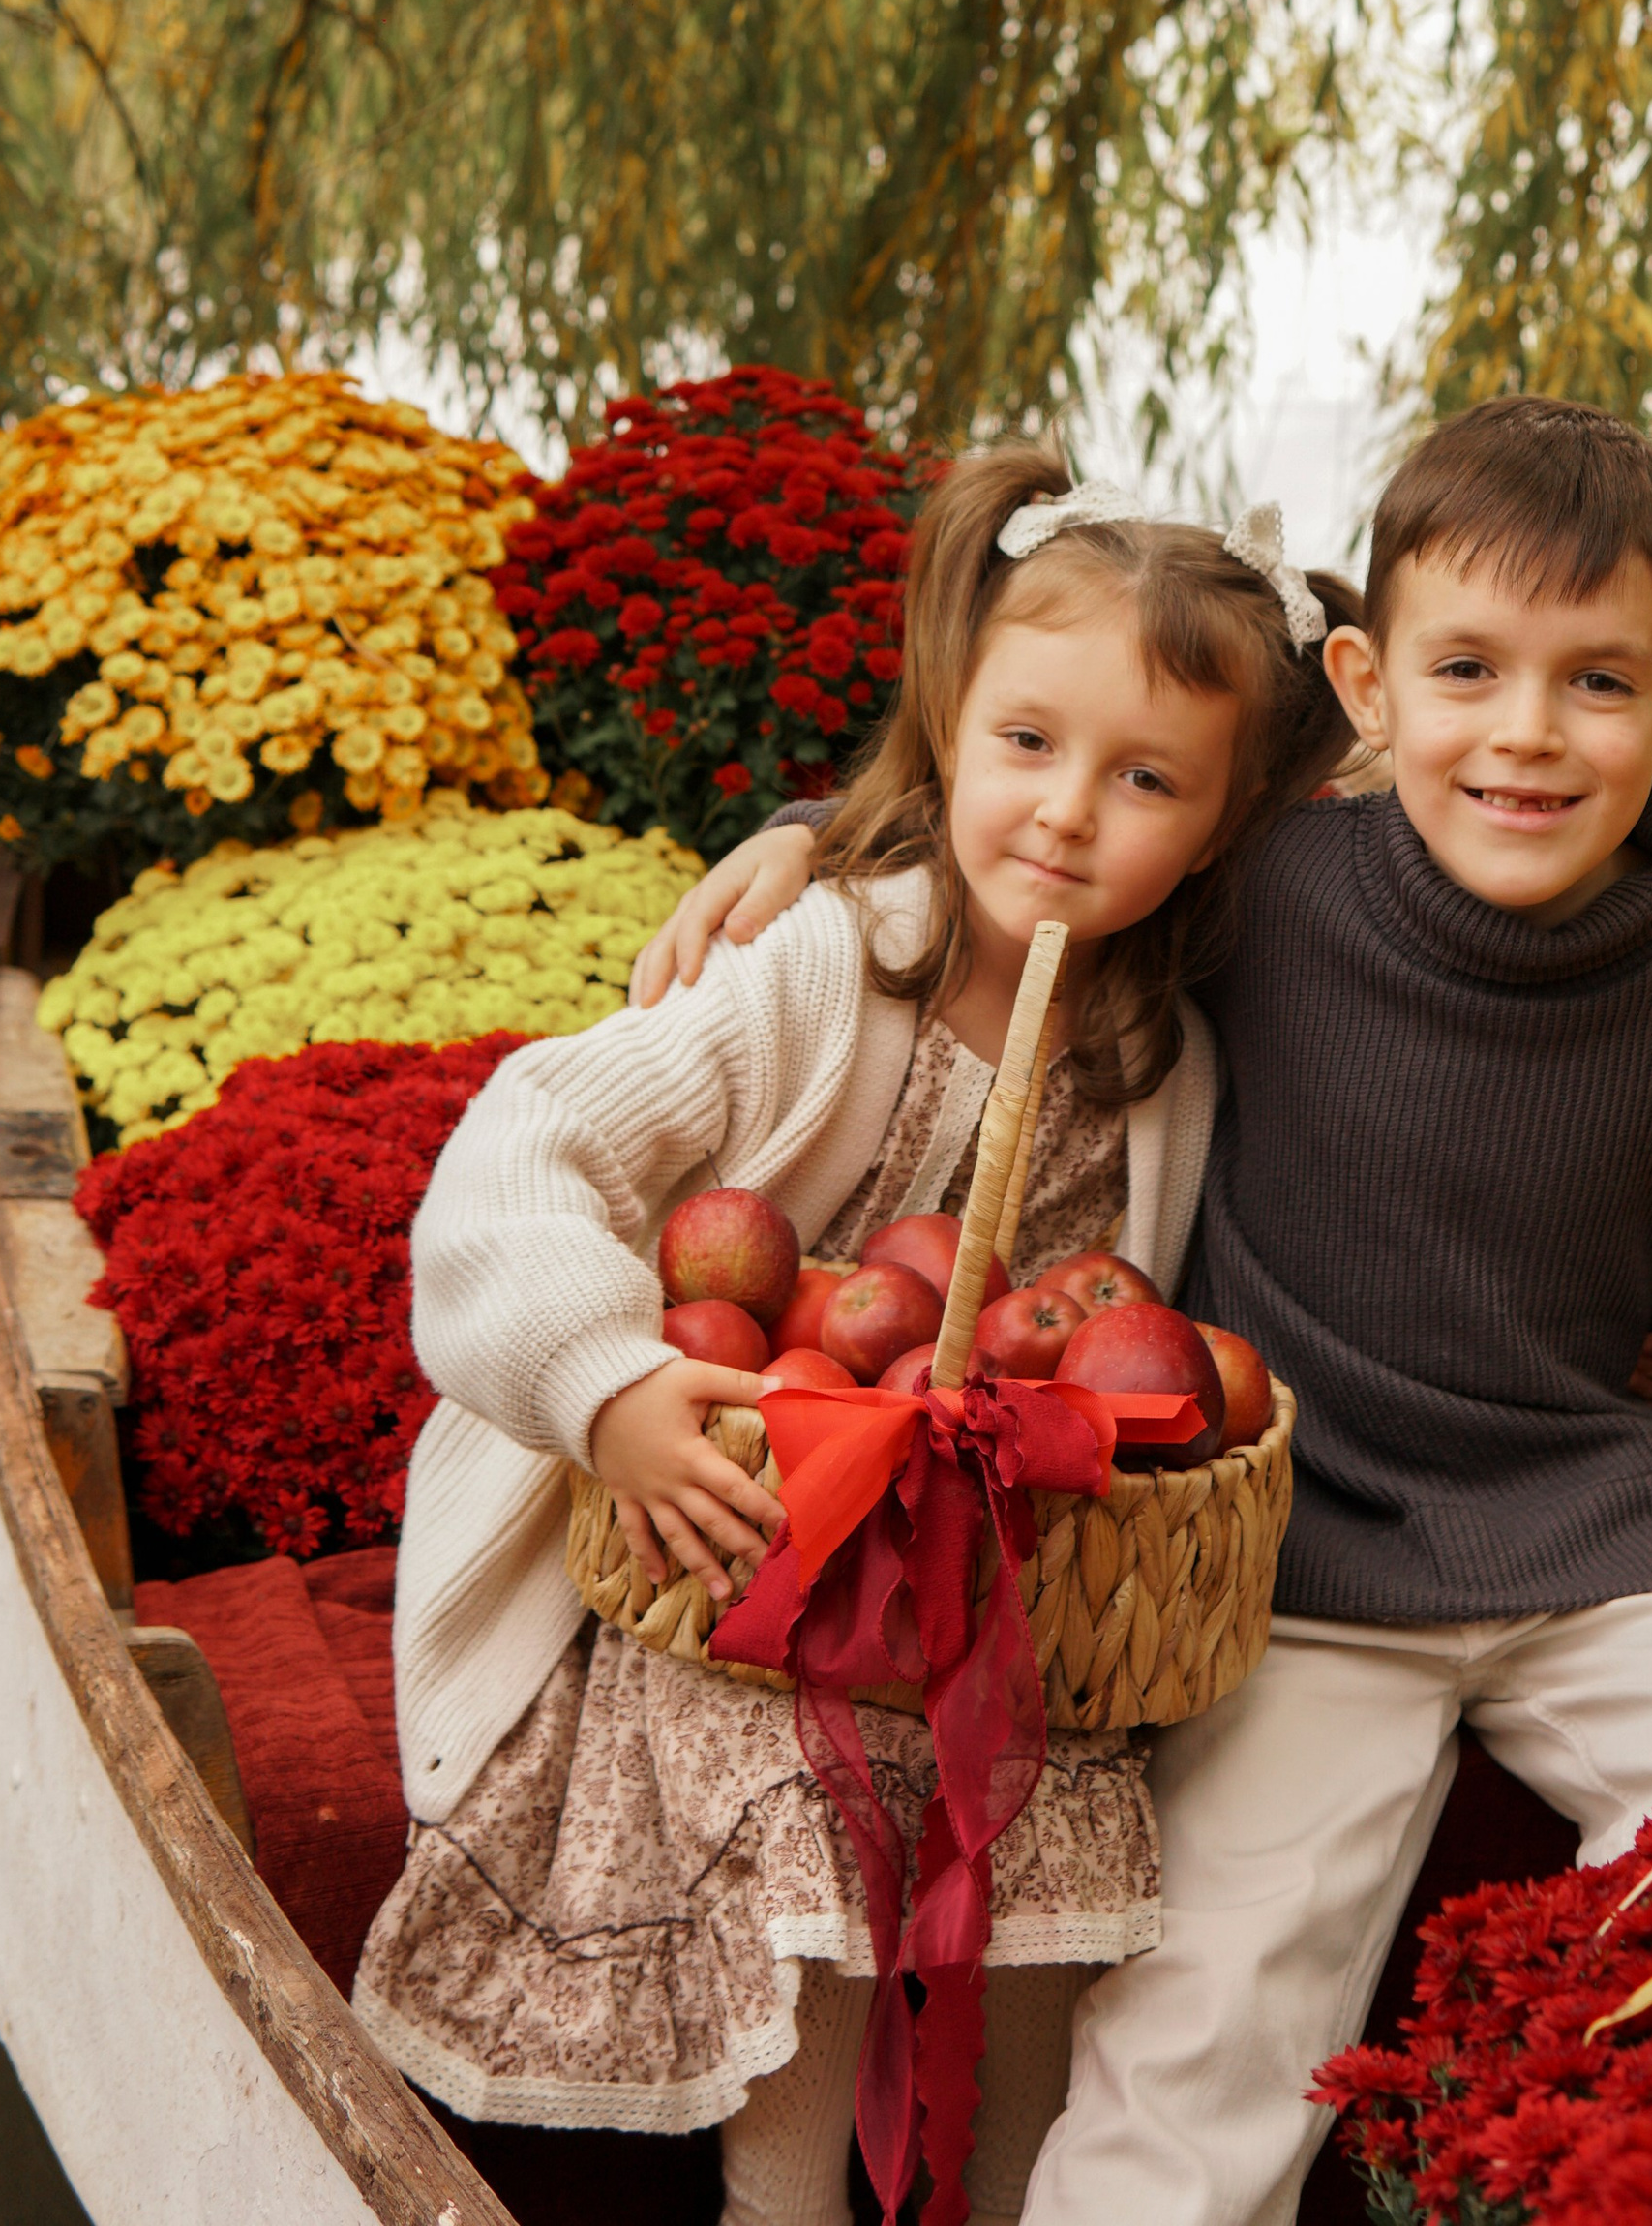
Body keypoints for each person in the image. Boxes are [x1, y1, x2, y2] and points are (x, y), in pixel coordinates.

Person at [637, 396, 1652, 2226]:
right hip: (1302, 1564)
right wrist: (825, 829)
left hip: (1605, 1545)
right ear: (1363, 686)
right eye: (1467, 670)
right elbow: (1069, 825)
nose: (1525, 735)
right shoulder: (1274, 892)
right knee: (1202, 2045)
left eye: (1598, 687)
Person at [353, 445, 1361, 2226]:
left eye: (1147, 781)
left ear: (1223, 824)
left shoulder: (1163, 1056)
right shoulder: (829, 969)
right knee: (807, 1817)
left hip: (996, 1598)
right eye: (1026, 744)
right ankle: (787, 2208)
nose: (1065, 812)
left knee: (1057, 1842)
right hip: (740, 1564)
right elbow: (524, 1148)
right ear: (953, 724)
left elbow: (1381, 784)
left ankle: (1004, 2196)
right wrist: (617, 1390)